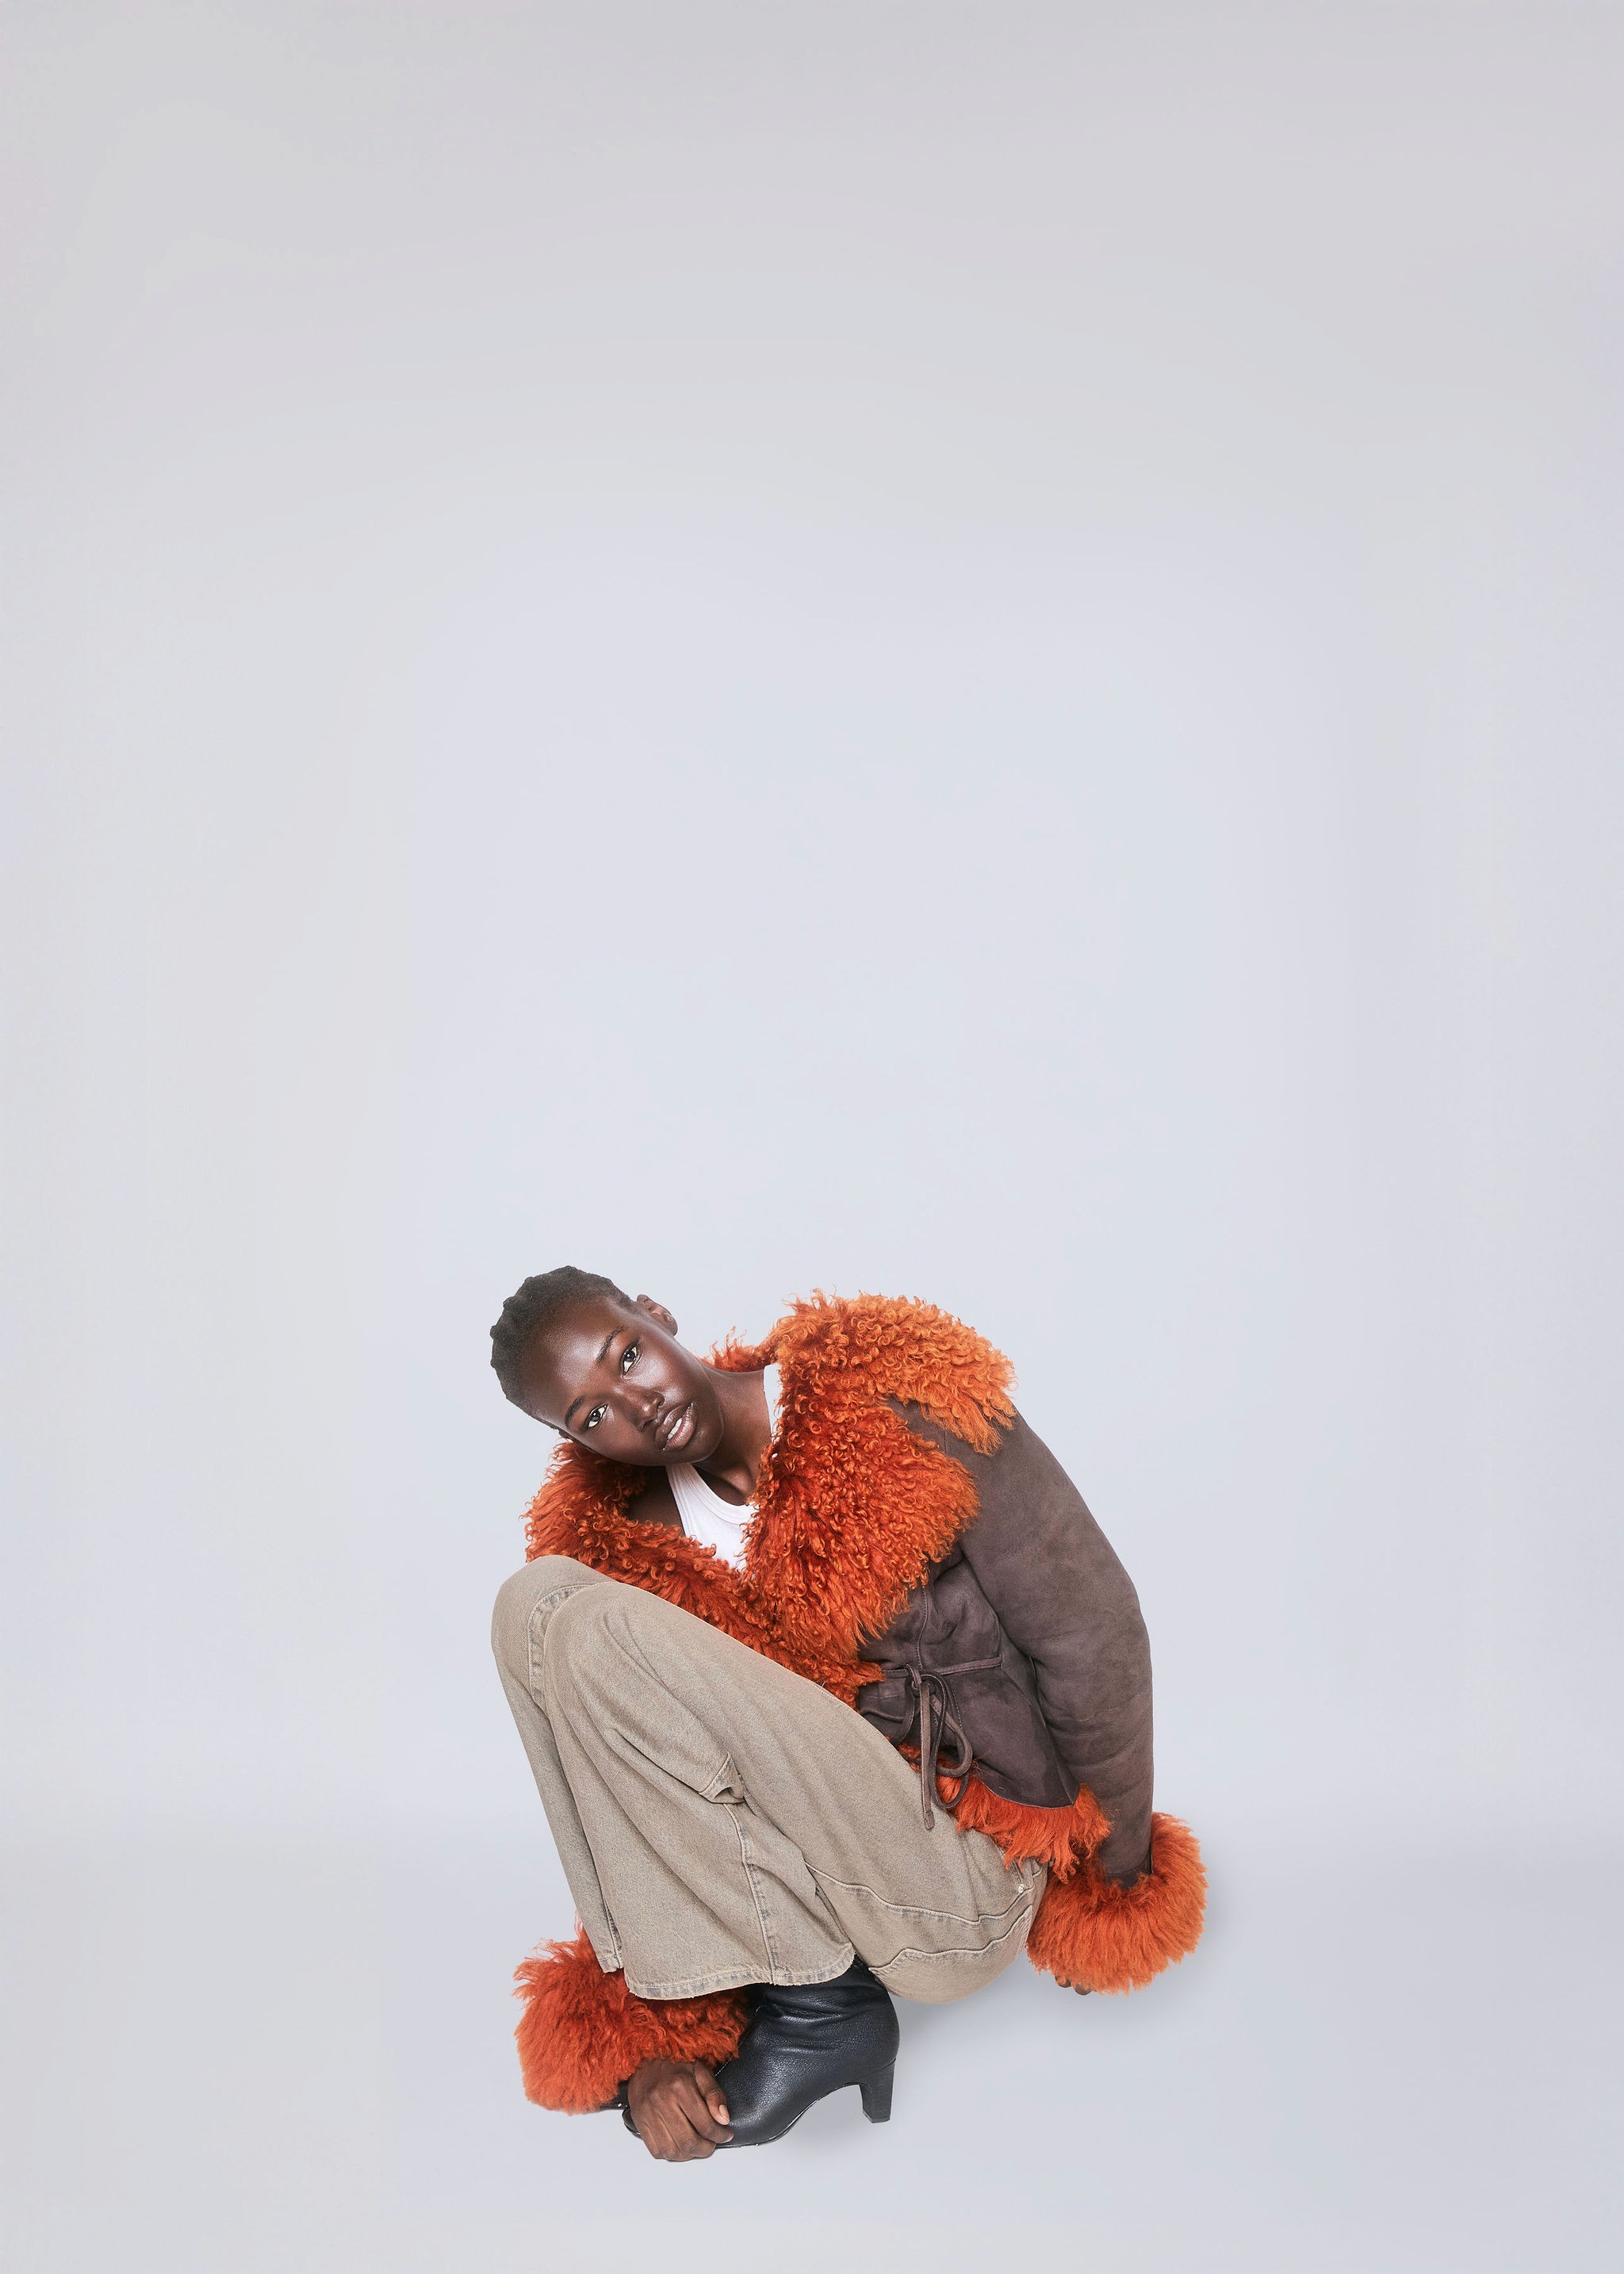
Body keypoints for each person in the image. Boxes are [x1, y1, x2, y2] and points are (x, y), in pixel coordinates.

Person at [489, 1269, 1205, 2161]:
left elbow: (1090, 1631)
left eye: (628, 1355)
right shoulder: (629, 1543)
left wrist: (1114, 1880)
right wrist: (652, 2049)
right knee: (534, 1601)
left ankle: (820, 2009)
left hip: (963, 1883)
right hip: (817, 1897)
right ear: (573, 1441)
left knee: (593, 1622)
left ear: (658, 1316)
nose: (634, 1407)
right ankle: (811, 2000)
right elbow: (635, 1808)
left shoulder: (886, 1392)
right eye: (591, 1416)